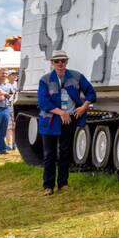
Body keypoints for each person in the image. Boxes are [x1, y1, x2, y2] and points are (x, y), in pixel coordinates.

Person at [38, 50, 97, 195]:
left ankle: (63, 183)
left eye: (63, 61)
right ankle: (48, 186)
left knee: (65, 152)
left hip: (69, 120)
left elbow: (91, 92)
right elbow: (43, 102)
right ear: (52, 63)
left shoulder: (76, 76)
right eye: (57, 61)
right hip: (50, 121)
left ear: (67, 62)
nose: (60, 64)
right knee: (49, 154)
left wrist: (84, 106)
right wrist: (61, 112)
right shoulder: (45, 80)